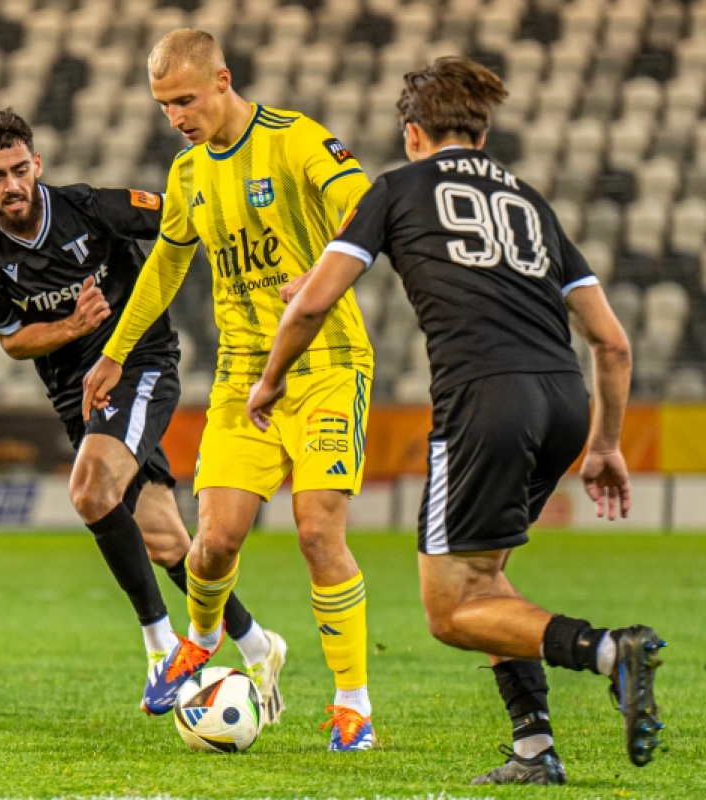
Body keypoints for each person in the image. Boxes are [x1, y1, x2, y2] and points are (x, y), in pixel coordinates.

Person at [247, 56, 666, 781]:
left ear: (412, 132)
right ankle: (534, 747)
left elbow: (314, 302)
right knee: (485, 579)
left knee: (450, 612)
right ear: (481, 128)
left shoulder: (396, 188)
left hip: (484, 400)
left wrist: (270, 378)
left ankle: (608, 651)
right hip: (565, 398)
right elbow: (613, 342)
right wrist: (604, 445)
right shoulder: (532, 201)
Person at [82, 29, 376, 751]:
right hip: (245, 377)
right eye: (163, 105)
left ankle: (353, 705)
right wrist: (115, 352)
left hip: (329, 364)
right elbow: (164, 270)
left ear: (222, 78)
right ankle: (203, 637)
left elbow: (365, 204)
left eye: (184, 99)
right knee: (211, 543)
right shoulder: (187, 174)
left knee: (316, 532)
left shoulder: (294, 138)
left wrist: (323, 274)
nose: (176, 116)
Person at [0, 109, 286, 724]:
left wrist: (263, 263)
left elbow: (186, 218)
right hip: (74, 395)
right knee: (165, 540)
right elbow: (12, 340)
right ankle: (259, 645)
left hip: (139, 365)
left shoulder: (92, 208)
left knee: (88, 490)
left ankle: (163, 647)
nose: (12, 185)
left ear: (39, 165)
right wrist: (70, 327)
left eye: (20, 170)